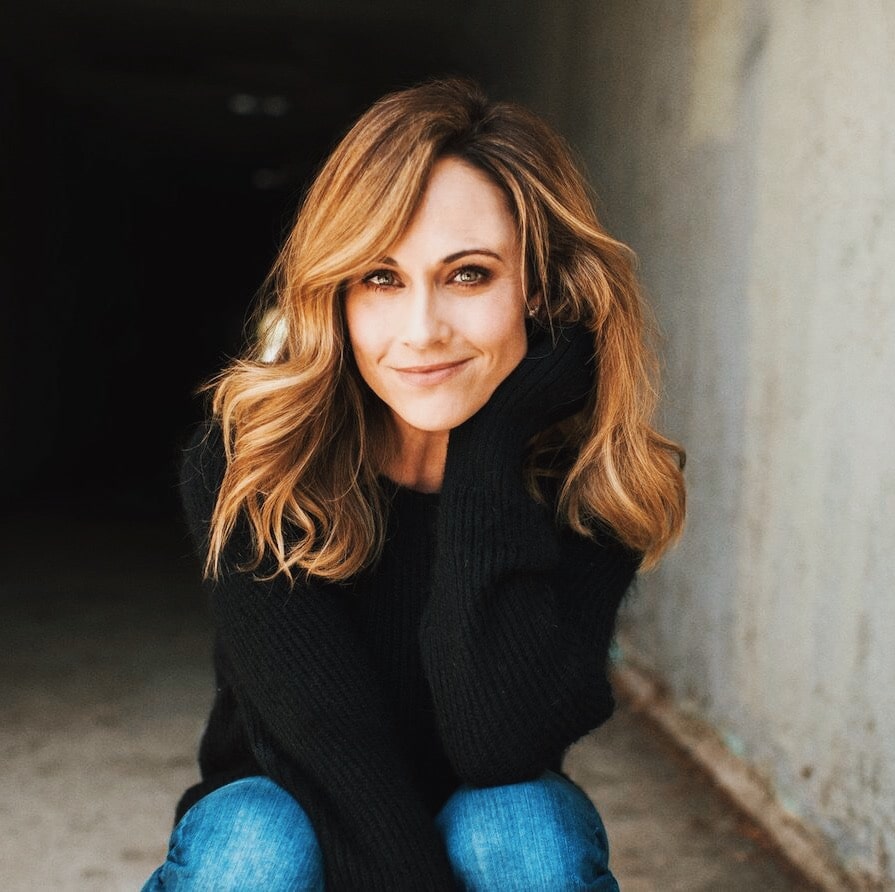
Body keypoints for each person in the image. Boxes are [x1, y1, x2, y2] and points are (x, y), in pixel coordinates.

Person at [142, 77, 686, 891]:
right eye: (380, 278)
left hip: (483, 821)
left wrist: (490, 447)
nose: (422, 331)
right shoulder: (254, 463)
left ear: (538, 289)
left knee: (519, 827)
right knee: (256, 841)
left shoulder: (595, 487)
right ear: (335, 296)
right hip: (301, 813)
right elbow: (328, 742)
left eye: (468, 275)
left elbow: (498, 744)